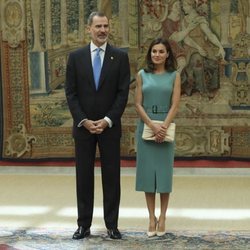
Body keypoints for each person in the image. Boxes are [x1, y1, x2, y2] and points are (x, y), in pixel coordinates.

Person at [65, 11, 130, 240]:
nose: (103, 30)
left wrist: (107, 120)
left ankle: (112, 225)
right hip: (83, 128)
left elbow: (123, 94)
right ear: (88, 29)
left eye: (106, 26)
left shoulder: (120, 57)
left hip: (109, 128)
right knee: (83, 177)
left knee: (112, 177)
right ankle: (84, 225)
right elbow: (71, 93)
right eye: (98, 26)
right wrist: (83, 120)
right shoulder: (76, 57)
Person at [134, 38, 181, 237]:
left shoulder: (174, 76)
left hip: (166, 125)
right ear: (150, 54)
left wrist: (163, 126)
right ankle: (151, 217)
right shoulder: (141, 75)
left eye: (161, 51)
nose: (157, 55)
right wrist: (152, 125)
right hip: (146, 126)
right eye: (154, 51)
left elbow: (175, 105)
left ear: (167, 54)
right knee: (147, 175)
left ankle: (163, 217)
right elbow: (137, 104)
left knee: (163, 175)